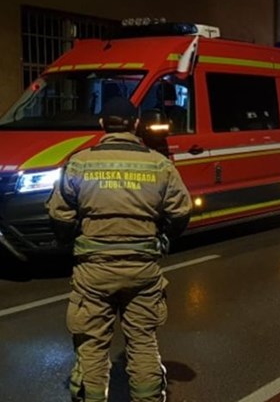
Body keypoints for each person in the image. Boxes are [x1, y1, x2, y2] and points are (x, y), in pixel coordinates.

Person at [46, 96, 192, 402]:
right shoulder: (158, 165)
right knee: (142, 342)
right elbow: (180, 212)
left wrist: (73, 239)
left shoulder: (80, 162)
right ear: (136, 124)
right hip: (142, 270)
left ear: (102, 125)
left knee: (92, 345)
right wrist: (163, 237)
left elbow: (59, 214)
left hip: (94, 271)